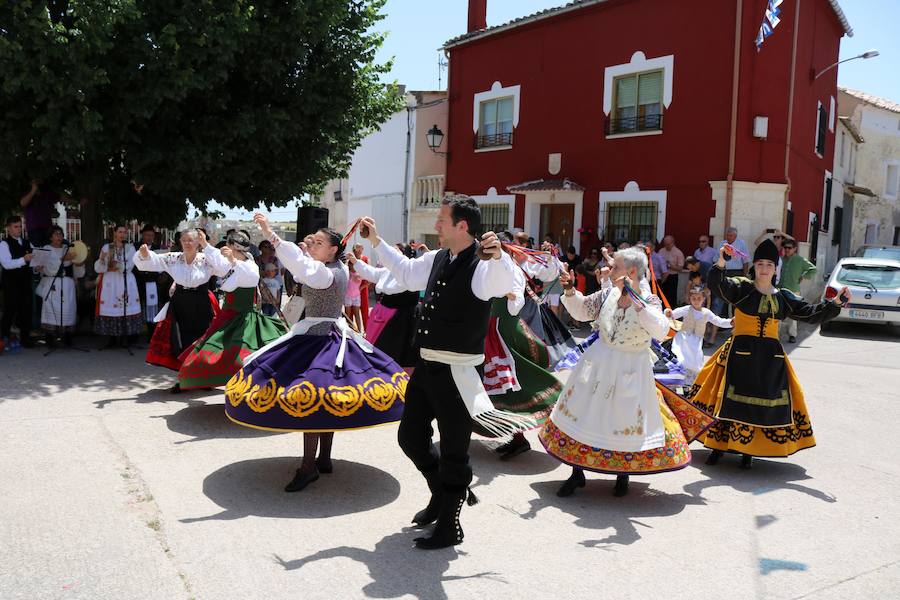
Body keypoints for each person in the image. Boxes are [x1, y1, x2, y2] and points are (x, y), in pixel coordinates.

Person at [358, 196, 517, 550]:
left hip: (457, 374)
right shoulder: (436, 257)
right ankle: (440, 496)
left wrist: (500, 255)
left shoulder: (482, 265)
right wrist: (375, 241)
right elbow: (404, 271)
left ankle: (450, 525)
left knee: (454, 454)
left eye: (442, 220)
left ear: (463, 226)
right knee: (410, 438)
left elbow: (503, 282)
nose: (437, 226)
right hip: (428, 364)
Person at [225, 214, 407, 493]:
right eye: (314, 241)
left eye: (319, 242)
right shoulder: (334, 267)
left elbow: (300, 264)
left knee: (310, 397)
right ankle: (323, 459)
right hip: (325, 335)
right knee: (326, 397)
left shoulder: (325, 272)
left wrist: (269, 232)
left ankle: (309, 466)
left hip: (319, 340)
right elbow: (301, 265)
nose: (313, 245)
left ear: (334, 249)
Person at [538, 248, 714, 497]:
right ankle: (577, 473)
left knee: (623, 419)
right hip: (598, 361)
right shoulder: (609, 293)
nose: (610, 271)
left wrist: (638, 303)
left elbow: (661, 330)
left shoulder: (649, 301)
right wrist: (569, 290)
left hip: (631, 367)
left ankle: (623, 475)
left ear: (632, 272)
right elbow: (581, 310)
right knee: (584, 414)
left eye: (616, 268)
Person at [687, 240, 848, 469]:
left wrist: (836, 303)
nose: (764, 268)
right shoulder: (742, 288)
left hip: (770, 358)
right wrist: (722, 259)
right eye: (760, 264)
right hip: (737, 353)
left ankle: (748, 452)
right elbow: (716, 282)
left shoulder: (784, 297)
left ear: (776, 268)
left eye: (769, 264)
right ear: (754, 266)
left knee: (765, 403)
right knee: (725, 399)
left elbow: (811, 314)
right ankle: (717, 446)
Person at [479, 238, 563, 461]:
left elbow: (516, 303)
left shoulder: (512, 270)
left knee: (513, 384)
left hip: (505, 330)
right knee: (503, 386)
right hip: (493, 328)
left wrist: (509, 297)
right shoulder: (492, 268)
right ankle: (515, 438)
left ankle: (519, 438)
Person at [176, 231, 287, 390]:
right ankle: (207, 381)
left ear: (234, 248)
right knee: (211, 350)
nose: (225, 249)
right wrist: (205, 244)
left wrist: (233, 260)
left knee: (239, 355)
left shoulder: (249, 265)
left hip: (243, 319)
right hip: (226, 317)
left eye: (228, 246)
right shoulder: (230, 264)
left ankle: (249, 385)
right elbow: (218, 262)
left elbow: (251, 277)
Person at [135, 229, 220, 391]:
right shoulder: (173, 258)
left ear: (198, 242)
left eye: (191, 240)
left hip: (201, 301)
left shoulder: (207, 259)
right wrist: (145, 254)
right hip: (180, 301)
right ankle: (184, 378)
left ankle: (202, 378)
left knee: (202, 339)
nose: (188, 243)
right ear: (180, 242)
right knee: (181, 339)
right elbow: (152, 261)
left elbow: (224, 266)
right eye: (185, 240)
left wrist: (208, 246)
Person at [348, 252, 420, 370]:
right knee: (380, 349)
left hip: (404, 317)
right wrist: (356, 262)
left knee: (402, 353)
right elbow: (371, 272)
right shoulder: (386, 271)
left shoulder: (412, 270)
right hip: (385, 314)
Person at [666, 286, 733, 386]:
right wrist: (667, 312)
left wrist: (731, 322)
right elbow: (672, 315)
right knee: (682, 361)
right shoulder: (686, 309)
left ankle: (690, 386)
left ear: (703, 299)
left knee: (695, 365)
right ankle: (679, 383)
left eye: (699, 298)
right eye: (693, 298)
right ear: (690, 299)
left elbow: (718, 321)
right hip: (683, 341)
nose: (696, 301)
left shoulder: (706, 313)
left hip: (696, 344)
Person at [35, 225, 86, 346]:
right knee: (51, 309)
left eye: (60, 234)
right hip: (53, 283)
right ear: (50, 237)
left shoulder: (68, 248)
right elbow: (49, 269)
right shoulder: (46, 249)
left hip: (67, 284)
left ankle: (67, 337)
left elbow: (77, 271)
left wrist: (80, 263)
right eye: (56, 234)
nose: (59, 236)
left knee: (68, 309)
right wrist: (62, 259)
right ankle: (50, 337)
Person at [93, 225, 143, 346]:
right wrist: (102, 260)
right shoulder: (106, 247)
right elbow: (100, 267)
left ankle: (125, 338)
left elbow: (130, 265)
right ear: (114, 233)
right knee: (111, 306)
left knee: (125, 306)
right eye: (120, 232)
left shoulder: (130, 248)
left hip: (125, 280)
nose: (122, 234)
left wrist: (119, 265)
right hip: (110, 280)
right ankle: (111, 338)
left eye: (124, 232)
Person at [707, 227, 750, 345]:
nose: (729, 237)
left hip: (737, 273)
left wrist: (745, 276)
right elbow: (716, 259)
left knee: (737, 304)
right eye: (728, 235)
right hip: (724, 272)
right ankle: (720, 329)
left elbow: (746, 261)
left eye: (731, 235)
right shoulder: (722, 244)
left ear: (735, 236)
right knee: (720, 301)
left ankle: (736, 331)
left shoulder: (741, 244)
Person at [1, 216, 35, 348]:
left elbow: (33, 261)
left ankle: (25, 339)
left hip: (25, 282)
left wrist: (37, 266)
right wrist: (23, 259)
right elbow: (7, 264)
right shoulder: (4, 244)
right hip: (11, 284)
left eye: (20, 226)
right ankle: (3, 338)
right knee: (9, 311)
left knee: (26, 310)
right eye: (15, 226)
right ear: (8, 228)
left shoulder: (28, 243)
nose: (19, 229)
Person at [777, 238, 816, 344]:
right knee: (777, 312)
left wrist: (803, 275)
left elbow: (813, 269)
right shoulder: (780, 260)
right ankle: (775, 335)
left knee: (792, 314)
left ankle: (792, 335)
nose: (787, 250)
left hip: (793, 291)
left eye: (789, 248)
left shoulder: (800, 260)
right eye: (785, 247)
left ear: (794, 249)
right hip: (779, 290)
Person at [134, 225, 163, 338]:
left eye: (151, 235)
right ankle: (135, 334)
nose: (149, 237)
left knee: (151, 308)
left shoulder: (157, 248)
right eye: (147, 235)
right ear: (142, 235)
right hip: (138, 281)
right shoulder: (135, 246)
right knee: (137, 306)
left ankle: (151, 334)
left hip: (152, 282)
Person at [19, 180, 64, 247]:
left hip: (48, 228)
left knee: (49, 250)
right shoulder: (27, 190)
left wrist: (76, 201)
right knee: (37, 251)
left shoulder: (46, 190)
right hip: (34, 229)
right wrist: (33, 191)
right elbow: (23, 203)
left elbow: (59, 198)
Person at [657, 235, 685, 307]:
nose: (666, 246)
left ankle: (672, 310)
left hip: (672, 276)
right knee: (662, 294)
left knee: (672, 295)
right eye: (665, 244)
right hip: (662, 276)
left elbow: (680, 268)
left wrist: (669, 266)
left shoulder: (678, 253)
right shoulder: (661, 251)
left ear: (673, 243)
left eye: (668, 244)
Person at [344, 249, 364, 332]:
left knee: (357, 314)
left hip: (356, 296)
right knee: (348, 315)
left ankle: (360, 332)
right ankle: (348, 331)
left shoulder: (359, 274)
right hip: (347, 296)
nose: (354, 267)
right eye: (352, 265)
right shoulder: (347, 274)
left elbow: (368, 281)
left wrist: (360, 288)